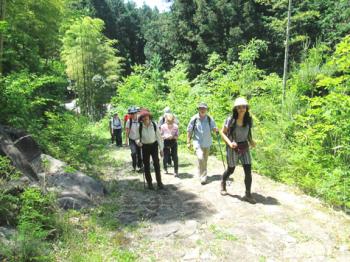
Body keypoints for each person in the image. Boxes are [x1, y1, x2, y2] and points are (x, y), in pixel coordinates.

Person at [220, 97, 257, 204]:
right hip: (233, 148)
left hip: (245, 147)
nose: (241, 109)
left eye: (243, 107)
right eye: (239, 107)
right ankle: (223, 181)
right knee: (231, 170)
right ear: (235, 108)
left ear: (246, 108)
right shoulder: (230, 120)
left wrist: (251, 141)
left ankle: (248, 194)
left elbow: (248, 133)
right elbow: (223, 132)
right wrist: (230, 143)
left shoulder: (249, 120)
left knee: (248, 170)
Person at [187, 102, 218, 185]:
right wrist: (188, 142)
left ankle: (201, 172)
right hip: (197, 142)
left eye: (204, 108)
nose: (202, 110)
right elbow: (189, 131)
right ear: (198, 109)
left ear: (206, 109)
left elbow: (213, 128)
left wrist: (216, 130)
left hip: (207, 142)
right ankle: (203, 177)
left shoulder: (209, 118)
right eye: (201, 108)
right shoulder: (194, 119)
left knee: (205, 160)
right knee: (201, 158)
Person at [136, 111, 164, 190]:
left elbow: (159, 137)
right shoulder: (140, 126)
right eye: (143, 117)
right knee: (146, 165)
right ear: (141, 119)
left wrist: (161, 149)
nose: (145, 118)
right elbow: (137, 138)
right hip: (144, 146)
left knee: (156, 164)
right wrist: (138, 142)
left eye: (146, 116)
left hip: (154, 145)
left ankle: (159, 182)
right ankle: (150, 183)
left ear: (149, 117)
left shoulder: (154, 125)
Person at [125, 106, 143, 172]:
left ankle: (140, 166)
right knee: (133, 153)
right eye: (131, 113)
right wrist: (126, 140)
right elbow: (127, 131)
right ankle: (134, 166)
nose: (132, 115)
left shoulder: (141, 120)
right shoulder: (129, 121)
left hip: (139, 139)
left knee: (140, 154)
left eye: (133, 113)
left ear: (136, 113)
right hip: (132, 139)